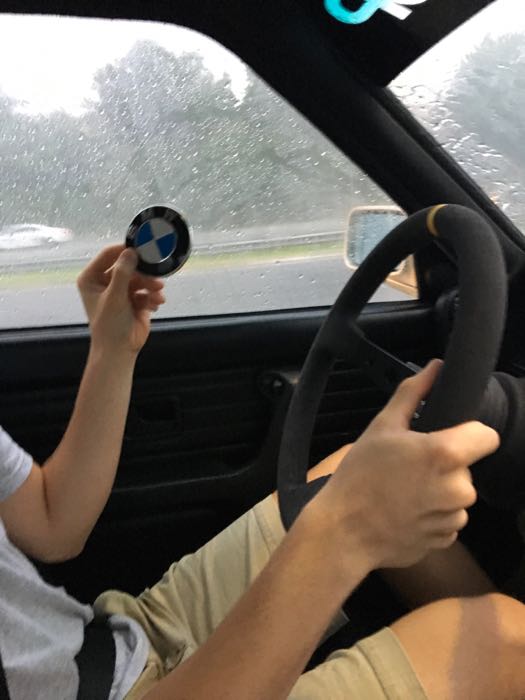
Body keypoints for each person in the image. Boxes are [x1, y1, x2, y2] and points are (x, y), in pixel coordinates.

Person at [1, 244, 525, 700]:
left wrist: (112, 347)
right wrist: (345, 531)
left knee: (352, 475)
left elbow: (52, 523)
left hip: (112, 644)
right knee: (505, 639)